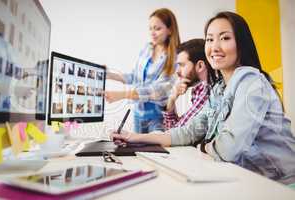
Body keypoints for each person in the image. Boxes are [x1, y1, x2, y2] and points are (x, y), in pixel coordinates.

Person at [111, 11, 295, 185]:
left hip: (280, 183)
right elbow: (188, 132)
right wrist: (135, 137)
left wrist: (203, 146)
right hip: (250, 178)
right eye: (209, 39)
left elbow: (228, 149)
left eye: (225, 38)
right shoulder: (219, 90)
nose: (214, 47)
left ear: (241, 43)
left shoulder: (251, 83)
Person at [105, 8, 180, 133]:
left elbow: (158, 91)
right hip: (138, 114)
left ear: (170, 30)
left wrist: (122, 95)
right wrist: (108, 74)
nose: (152, 33)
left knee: (156, 151)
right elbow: (135, 77)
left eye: (157, 28)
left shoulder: (175, 57)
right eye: (150, 28)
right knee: (137, 151)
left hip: (158, 117)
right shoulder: (147, 49)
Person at [162, 38, 217, 130]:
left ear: (200, 66)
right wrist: (172, 100)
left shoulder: (209, 91)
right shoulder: (199, 90)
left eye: (182, 65)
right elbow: (175, 130)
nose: (178, 71)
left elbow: (175, 133)